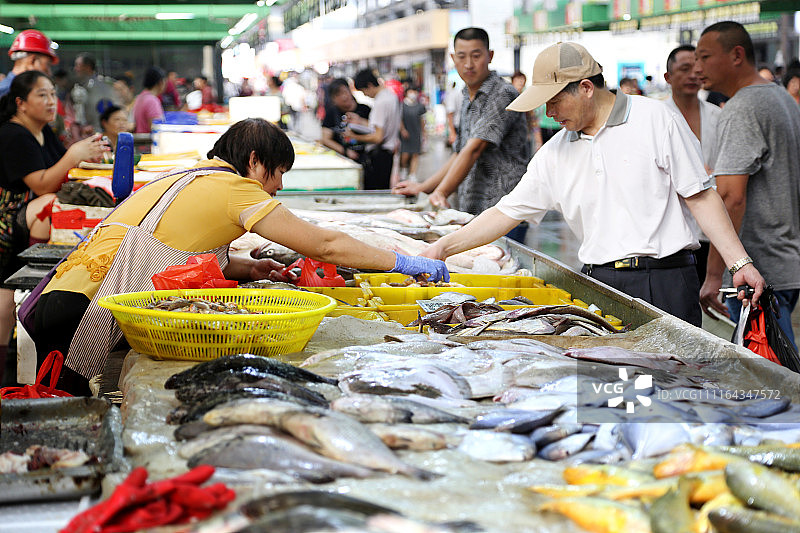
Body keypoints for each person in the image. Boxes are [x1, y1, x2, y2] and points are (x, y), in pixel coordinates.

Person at [30, 118, 448, 395]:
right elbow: (323, 246)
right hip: (83, 311)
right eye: (279, 172)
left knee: (55, 409)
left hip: (60, 296)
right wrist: (404, 262)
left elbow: (177, 250)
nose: (279, 186)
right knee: (60, 426)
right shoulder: (235, 189)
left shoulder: (189, 176)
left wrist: (247, 267)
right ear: (254, 161)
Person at [421, 41, 765, 328]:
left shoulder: (656, 120)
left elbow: (701, 197)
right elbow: (505, 212)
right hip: (598, 283)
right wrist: (443, 248)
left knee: (670, 396)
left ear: (586, 88)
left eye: (555, 101)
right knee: (608, 396)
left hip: (665, 280)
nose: (549, 113)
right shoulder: (556, 151)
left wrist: (740, 264)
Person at [694, 21, 800, 346]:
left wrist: (714, 275)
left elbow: (729, 197)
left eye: (705, 57)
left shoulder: (742, 107)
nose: (698, 68)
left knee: (768, 382)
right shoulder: (781, 98)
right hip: (786, 261)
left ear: (737, 54)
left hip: (756, 273)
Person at [0, 71, 107, 385]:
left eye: (52, 94)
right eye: (41, 95)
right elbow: (43, 182)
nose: (51, 102)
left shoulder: (43, 133)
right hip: (8, 221)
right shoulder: (12, 135)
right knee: (7, 289)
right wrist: (74, 154)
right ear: (20, 103)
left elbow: (64, 175)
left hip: (29, 220)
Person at [393, 28, 529, 238]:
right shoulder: (466, 95)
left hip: (503, 214)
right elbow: (460, 152)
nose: (468, 64)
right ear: (453, 58)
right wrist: (425, 187)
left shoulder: (503, 94)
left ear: (489, 56)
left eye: (476, 56)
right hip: (472, 212)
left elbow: (474, 149)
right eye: (462, 56)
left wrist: (441, 192)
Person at [663, 44, 721, 284]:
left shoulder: (717, 115)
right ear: (668, 77)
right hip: (673, 229)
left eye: (696, 69)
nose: (692, 75)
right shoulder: (658, 116)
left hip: (712, 226)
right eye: (684, 69)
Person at [347, 69, 402, 190]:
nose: (365, 95)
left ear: (370, 85)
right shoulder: (390, 95)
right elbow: (380, 126)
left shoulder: (380, 102)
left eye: (363, 91)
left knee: (376, 191)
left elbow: (377, 137)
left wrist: (354, 136)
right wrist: (360, 120)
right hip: (387, 155)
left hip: (379, 156)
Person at [319, 78, 370, 163]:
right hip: (342, 160)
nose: (344, 97)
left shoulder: (365, 110)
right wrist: (345, 151)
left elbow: (377, 132)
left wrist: (360, 121)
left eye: (345, 92)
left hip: (367, 158)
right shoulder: (331, 114)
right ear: (333, 99)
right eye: (338, 94)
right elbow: (325, 139)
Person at [0, 30, 58, 98]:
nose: (49, 73)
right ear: (32, 60)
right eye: (47, 65)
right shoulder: (7, 93)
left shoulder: (19, 91)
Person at [72, 53, 117, 133]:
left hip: (100, 133)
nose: (75, 69)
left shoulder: (103, 86)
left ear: (87, 67)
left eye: (78, 65)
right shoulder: (82, 87)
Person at [398, 86, 426, 182]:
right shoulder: (401, 105)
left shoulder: (420, 106)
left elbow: (422, 120)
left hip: (416, 132)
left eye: (415, 91)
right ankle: (404, 170)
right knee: (405, 154)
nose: (413, 93)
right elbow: (399, 119)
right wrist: (402, 130)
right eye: (411, 91)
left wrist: (424, 134)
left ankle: (412, 174)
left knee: (415, 154)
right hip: (405, 134)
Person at [511, 70, 541, 157]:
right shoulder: (506, 98)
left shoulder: (527, 98)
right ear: (513, 81)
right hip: (511, 139)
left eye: (522, 80)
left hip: (525, 137)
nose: (520, 82)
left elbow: (533, 120)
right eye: (518, 80)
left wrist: (538, 140)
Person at [133, 67, 166, 134]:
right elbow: (156, 128)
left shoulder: (140, 97)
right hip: (148, 142)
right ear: (160, 82)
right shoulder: (152, 101)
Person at [443, 81, 462, 149]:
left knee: (457, 150)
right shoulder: (458, 93)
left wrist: (452, 132)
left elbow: (450, 114)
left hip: (456, 126)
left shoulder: (452, 94)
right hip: (457, 125)